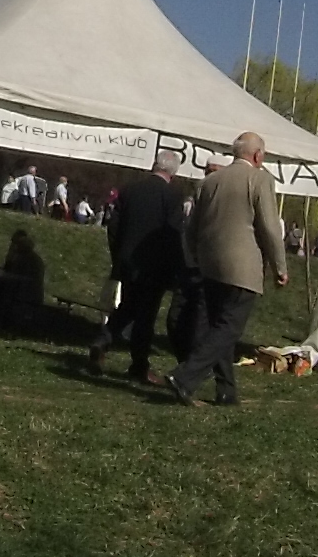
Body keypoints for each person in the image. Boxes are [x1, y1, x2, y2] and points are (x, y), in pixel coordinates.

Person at [168, 135, 287, 406]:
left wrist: (196, 256)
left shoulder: (209, 182)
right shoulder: (260, 179)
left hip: (209, 265)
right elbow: (270, 227)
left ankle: (226, 390)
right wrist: (280, 266)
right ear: (257, 155)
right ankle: (185, 376)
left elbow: (192, 227)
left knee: (219, 326)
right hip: (242, 267)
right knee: (228, 329)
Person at [93, 149, 189, 382]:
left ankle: (103, 340)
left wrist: (119, 254)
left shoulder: (130, 190)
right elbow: (173, 234)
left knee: (128, 307)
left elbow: (113, 226)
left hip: (127, 261)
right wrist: (176, 268)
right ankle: (138, 365)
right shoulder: (173, 196)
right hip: (155, 266)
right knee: (145, 317)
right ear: (173, 172)